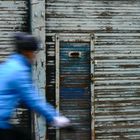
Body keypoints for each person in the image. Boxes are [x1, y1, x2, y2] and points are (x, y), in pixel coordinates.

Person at [0, 32, 70, 140]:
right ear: (26, 52)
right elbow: (33, 101)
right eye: (33, 52)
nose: (34, 56)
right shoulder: (18, 71)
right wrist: (57, 118)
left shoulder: (7, 66)